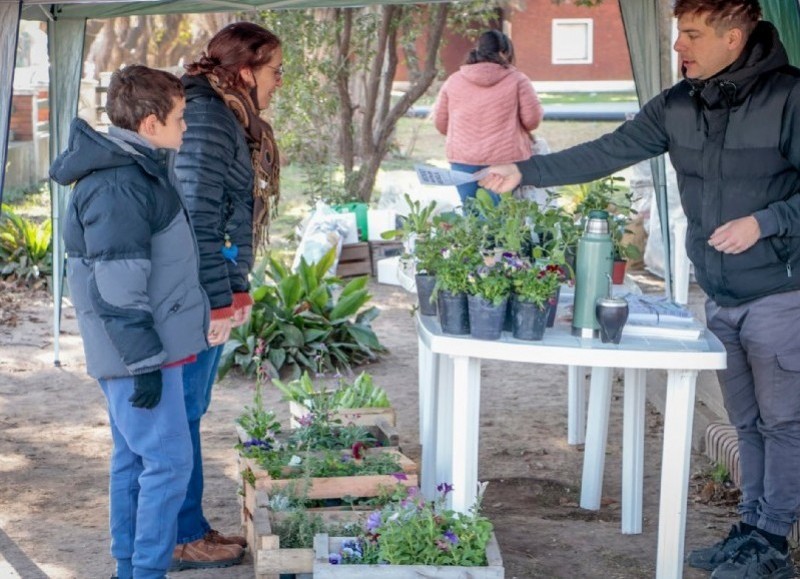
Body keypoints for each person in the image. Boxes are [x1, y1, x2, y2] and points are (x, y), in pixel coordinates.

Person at [482, 2, 800, 578]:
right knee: (747, 424)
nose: (680, 45)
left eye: (693, 34)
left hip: (782, 292)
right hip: (721, 296)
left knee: (784, 425)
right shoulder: (682, 103)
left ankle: (773, 542)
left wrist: (767, 221)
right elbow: (611, 148)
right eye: (680, 32)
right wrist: (523, 170)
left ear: (734, 37)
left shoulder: (790, 97)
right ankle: (751, 529)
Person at [50, 65, 209, 579]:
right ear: (148, 123)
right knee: (167, 466)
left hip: (151, 345)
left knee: (137, 461)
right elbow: (118, 285)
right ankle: (144, 572)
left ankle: (131, 569)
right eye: (181, 118)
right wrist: (143, 362)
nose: (186, 128)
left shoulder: (138, 167)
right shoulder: (119, 183)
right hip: (140, 352)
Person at [170, 21, 283, 570]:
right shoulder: (210, 118)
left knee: (189, 410)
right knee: (183, 411)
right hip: (193, 290)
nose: (279, 82)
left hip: (205, 283)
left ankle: (187, 527)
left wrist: (234, 284)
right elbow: (198, 218)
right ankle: (180, 535)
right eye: (275, 71)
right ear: (245, 72)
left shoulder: (220, 112)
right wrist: (223, 296)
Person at [432, 29, 544, 207]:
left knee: (470, 212)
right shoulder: (518, 80)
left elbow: (440, 123)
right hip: (505, 160)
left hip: (462, 158)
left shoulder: (454, 80)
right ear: (505, 52)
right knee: (500, 216)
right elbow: (532, 121)